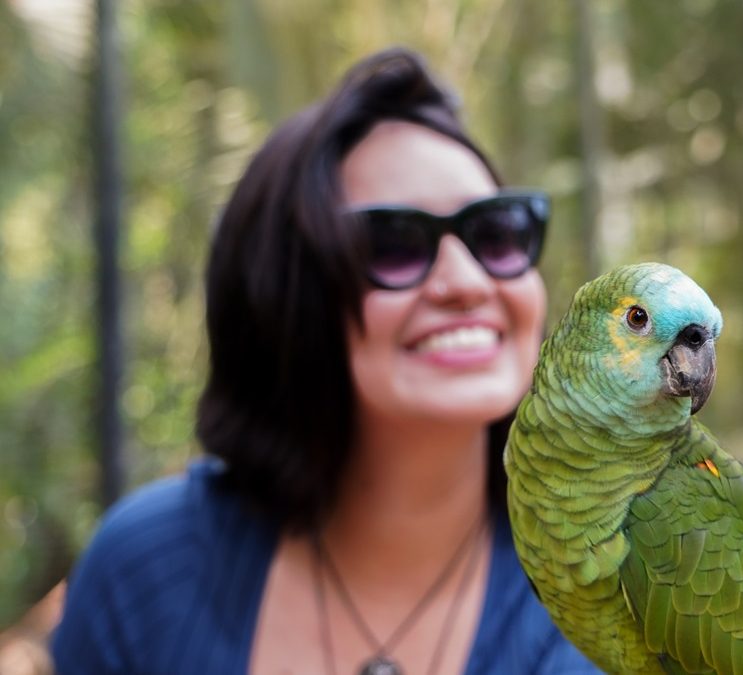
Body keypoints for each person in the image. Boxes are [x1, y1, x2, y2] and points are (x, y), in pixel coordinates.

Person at [51, 48, 599, 674]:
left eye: (497, 233)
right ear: (282, 296)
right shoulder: (146, 574)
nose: (466, 281)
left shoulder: (618, 600)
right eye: (393, 245)